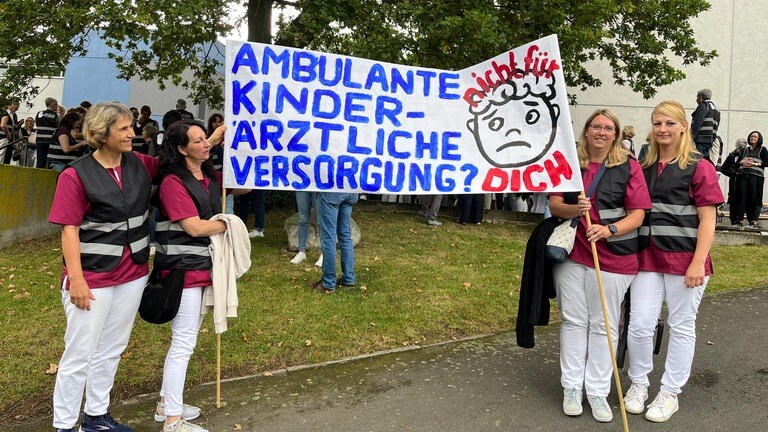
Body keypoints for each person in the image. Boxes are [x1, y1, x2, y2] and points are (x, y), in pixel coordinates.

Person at [48, 102, 159, 432]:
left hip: (133, 273)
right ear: (101, 133)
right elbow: (69, 230)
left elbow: (180, 162)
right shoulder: (75, 175)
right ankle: (65, 425)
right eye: (123, 129)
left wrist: (212, 140)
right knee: (79, 354)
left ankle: (96, 416)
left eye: (131, 127)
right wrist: (77, 280)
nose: (132, 133)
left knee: (112, 348)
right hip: (92, 277)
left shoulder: (140, 163)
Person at [624, 100, 723, 423]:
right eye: (657, 123)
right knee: (639, 326)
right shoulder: (644, 166)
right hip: (647, 258)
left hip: (685, 260)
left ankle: (669, 393)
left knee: (681, 326)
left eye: (669, 123)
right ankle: (639, 383)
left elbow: (708, 219)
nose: (662, 129)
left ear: (684, 127)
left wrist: (699, 261)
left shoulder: (699, 166)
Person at [549, 108, 650, 423]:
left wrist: (609, 230)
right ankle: (571, 387)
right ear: (587, 130)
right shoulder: (570, 163)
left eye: (608, 128)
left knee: (604, 325)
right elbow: (555, 205)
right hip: (572, 254)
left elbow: (638, 213)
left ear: (616, 134)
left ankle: (596, 390)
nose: (601, 132)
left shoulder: (629, 166)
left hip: (614, 257)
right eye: (596, 126)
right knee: (574, 321)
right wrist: (575, 210)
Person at [152, 120, 229, 432]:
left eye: (206, 139)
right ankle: (172, 419)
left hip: (200, 269)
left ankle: (164, 404)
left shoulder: (206, 177)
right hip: (181, 272)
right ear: (182, 149)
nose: (205, 145)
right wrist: (229, 224)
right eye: (198, 141)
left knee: (187, 340)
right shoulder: (173, 182)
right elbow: (194, 226)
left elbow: (243, 185)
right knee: (183, 342)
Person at [312, 192, 359, 294]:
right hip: (350, 190)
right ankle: (348, 278)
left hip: (331, 190)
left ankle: (328, 282)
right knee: (345, 235)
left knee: (329, 237)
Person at [735, 131, 768, 228]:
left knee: (755, 198)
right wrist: (742, 162)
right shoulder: (745, 150)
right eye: (751, 136)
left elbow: (767, 162)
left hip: (756, 177)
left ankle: (753, 221)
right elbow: (738, 163)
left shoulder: (762, 149)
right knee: (742, 197)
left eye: (755, 137)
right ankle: (739, 220)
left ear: (759, 139)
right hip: (744, 176)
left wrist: (754, 164)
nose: (752, 138)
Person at [291, 191, 324, 265]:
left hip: (318, 187)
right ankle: (301, 252)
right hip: (302, 185)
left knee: (321, 221)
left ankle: (324, 254)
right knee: (303, 219)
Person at [720, 138, 747, 225]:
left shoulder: (747, 154)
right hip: (734, 181)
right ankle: (733, 220)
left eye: (742, 147)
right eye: (739, 147)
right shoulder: (732, 155)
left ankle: (739, 219)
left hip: (744, 180)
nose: (740, 149)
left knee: (742, 198)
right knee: (733, 199)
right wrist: (733, 173)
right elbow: (723, 168)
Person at [690, 88, 720, 162]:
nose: (696, 100)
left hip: (701, 138)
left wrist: (691, 136)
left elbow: (697, 122)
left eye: (697, 97)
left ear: (700, 97)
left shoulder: (703, 106)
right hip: (710, 139)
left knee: (699, 159)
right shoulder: (716, 109)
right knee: (706, 159)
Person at [35, 97, 59, 168]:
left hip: (39, 140)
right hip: (50, 140)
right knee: (50, 160)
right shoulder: (56, 115)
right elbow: (58, 126)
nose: (57, 106)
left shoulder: (40, 113)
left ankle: (38, 175)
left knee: (40, 159)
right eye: (56, 105)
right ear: (53, 104)